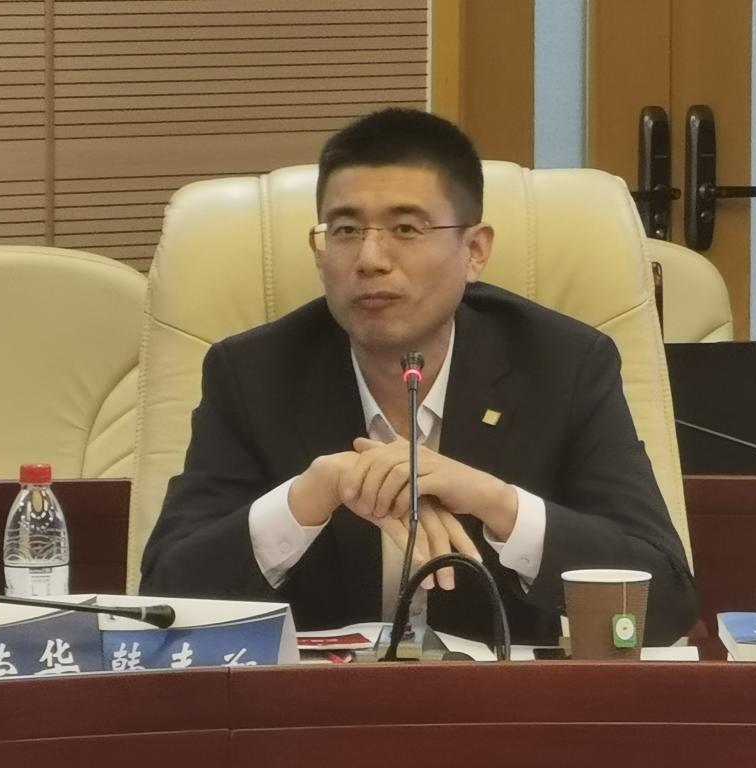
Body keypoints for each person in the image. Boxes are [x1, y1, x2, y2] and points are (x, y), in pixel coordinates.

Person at [140, 108, 697, 645]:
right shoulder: (253, 374)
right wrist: (309, 497)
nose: (370, 258)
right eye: (345, 230)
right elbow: (164, 601)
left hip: (502, 702)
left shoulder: (562, 365)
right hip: (316, 701)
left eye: (406, 228)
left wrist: (495, 502)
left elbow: (665, 604)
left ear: (474, 250)